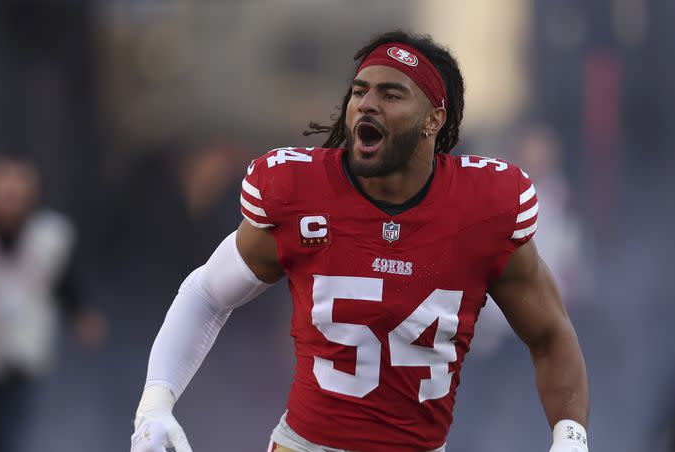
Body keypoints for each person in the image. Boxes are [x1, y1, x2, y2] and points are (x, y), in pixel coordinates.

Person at [130, 31, 589, 452]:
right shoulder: (301, 193)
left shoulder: (483, 209)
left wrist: (570, 437)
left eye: (391, 94)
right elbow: (208, 292)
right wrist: (155, 402)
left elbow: (550, 334)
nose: (367, 104)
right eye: (359, 90)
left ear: (434, 119)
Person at [0, 156, 106, 452]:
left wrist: (81, 316)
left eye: (16, 195)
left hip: (20, 353)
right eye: (2, 193)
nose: (8, 202)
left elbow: (65, 282)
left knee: (9, 434)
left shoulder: (49, 238)